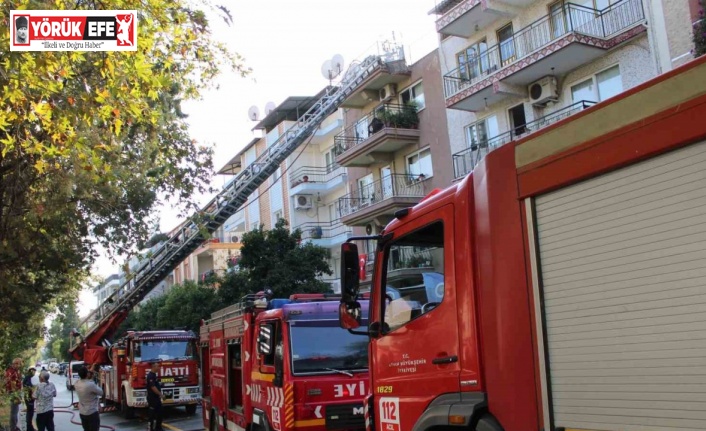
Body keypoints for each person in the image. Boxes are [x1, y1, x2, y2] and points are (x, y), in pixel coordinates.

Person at [74, 365, 103, 431]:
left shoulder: (76, 384)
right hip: (92, 412)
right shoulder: (90, 385)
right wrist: (92, 379)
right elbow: (101, 392)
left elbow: (82, 379)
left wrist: (88, 375)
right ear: (87, 374)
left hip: (82, 412)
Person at [146, 361, 166, 431]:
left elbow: (156, 385)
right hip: (152, 398)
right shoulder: (150, 376)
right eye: (158, 366)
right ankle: (150, 428)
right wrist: (160, 394)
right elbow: (153, 387)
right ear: (153, 367)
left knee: (160, 413)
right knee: (151, 414)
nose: (159, 368)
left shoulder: (154, 375)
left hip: (156, 398)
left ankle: (158, 428)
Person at [4, 357, 22, 431]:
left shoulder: (14, 371)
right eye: (18, 363)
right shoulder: (12, 372)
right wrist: (17, 396)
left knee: (15, 410)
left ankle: (14, 426)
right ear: (15, 364)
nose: (19, 365)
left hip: (14, 392)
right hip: (14, 393)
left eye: (20, 363)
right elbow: (13, 385)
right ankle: (13, 428)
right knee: (14, 412)